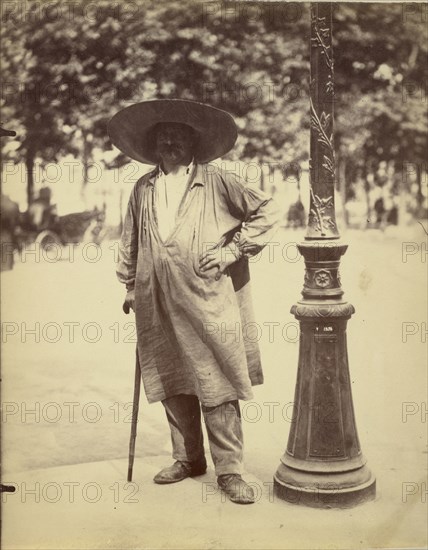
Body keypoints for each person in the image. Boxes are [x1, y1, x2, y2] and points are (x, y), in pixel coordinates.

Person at [109, 99, 280, 504]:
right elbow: (129, 242)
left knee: (215, 381)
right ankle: (188, 458)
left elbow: (266, 211)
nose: (170, 141)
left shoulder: (217, 180)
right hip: (156, 299)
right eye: (163, 135)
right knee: (171, 377)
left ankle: (231, 471)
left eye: (179, 134)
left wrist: (231, 251)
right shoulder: (143, 187)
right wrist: (130, 286)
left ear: (193, 141)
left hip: (206, 298)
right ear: (154, 143)